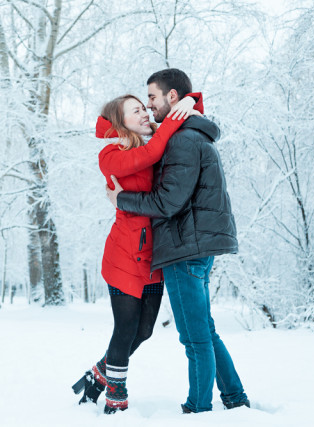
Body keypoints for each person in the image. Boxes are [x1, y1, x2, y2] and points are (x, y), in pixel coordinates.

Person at [106, 68, 250, 413]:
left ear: (172, 98)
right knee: (205, 330)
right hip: (194, 244)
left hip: (186, 247)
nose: (149, 106)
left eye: (152, 97)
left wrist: (120, 199)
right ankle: (234, 397)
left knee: (194, 336)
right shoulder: (188, 134)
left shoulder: (183, 140)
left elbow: (168, 202)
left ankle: (198, 408)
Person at [72, 91, 203, 414]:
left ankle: (99, 373)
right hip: (124, 254)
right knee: (126, 328)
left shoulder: (151, 143)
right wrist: (178, 112)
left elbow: (193, 123)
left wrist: (191, 101)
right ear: (120, 123)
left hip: (153, 254)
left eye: (145, 107)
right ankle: (116, 392)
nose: (145, 112)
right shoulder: (111, 155)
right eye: (136, 110)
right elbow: (153, 152)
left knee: (144, 330)